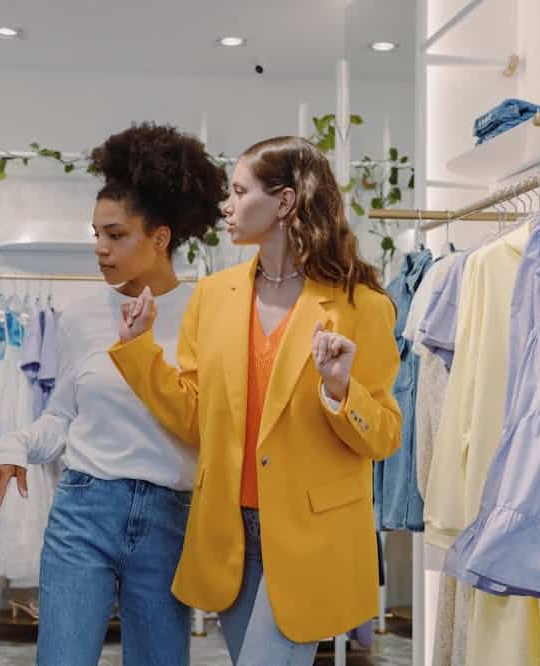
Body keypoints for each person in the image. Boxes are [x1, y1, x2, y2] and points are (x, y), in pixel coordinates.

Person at [110, 136, 402, 665]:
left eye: (240, 192)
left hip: (313, 535)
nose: (226, 205)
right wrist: (139, 351)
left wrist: (340, 390)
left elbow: (384, 434)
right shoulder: (213, 297)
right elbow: (195, 418)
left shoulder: (364, 305)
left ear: (285, 202)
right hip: (229, 532)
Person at [0, 123, 226, 666]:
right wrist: (13, 447)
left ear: (160, 238)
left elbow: (208, 423)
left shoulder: (209, 314)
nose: (99, 249)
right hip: (83, 512)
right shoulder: (80, 315)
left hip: (170, 518)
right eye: (95, 233)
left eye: (115, 235)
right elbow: (62, 417)